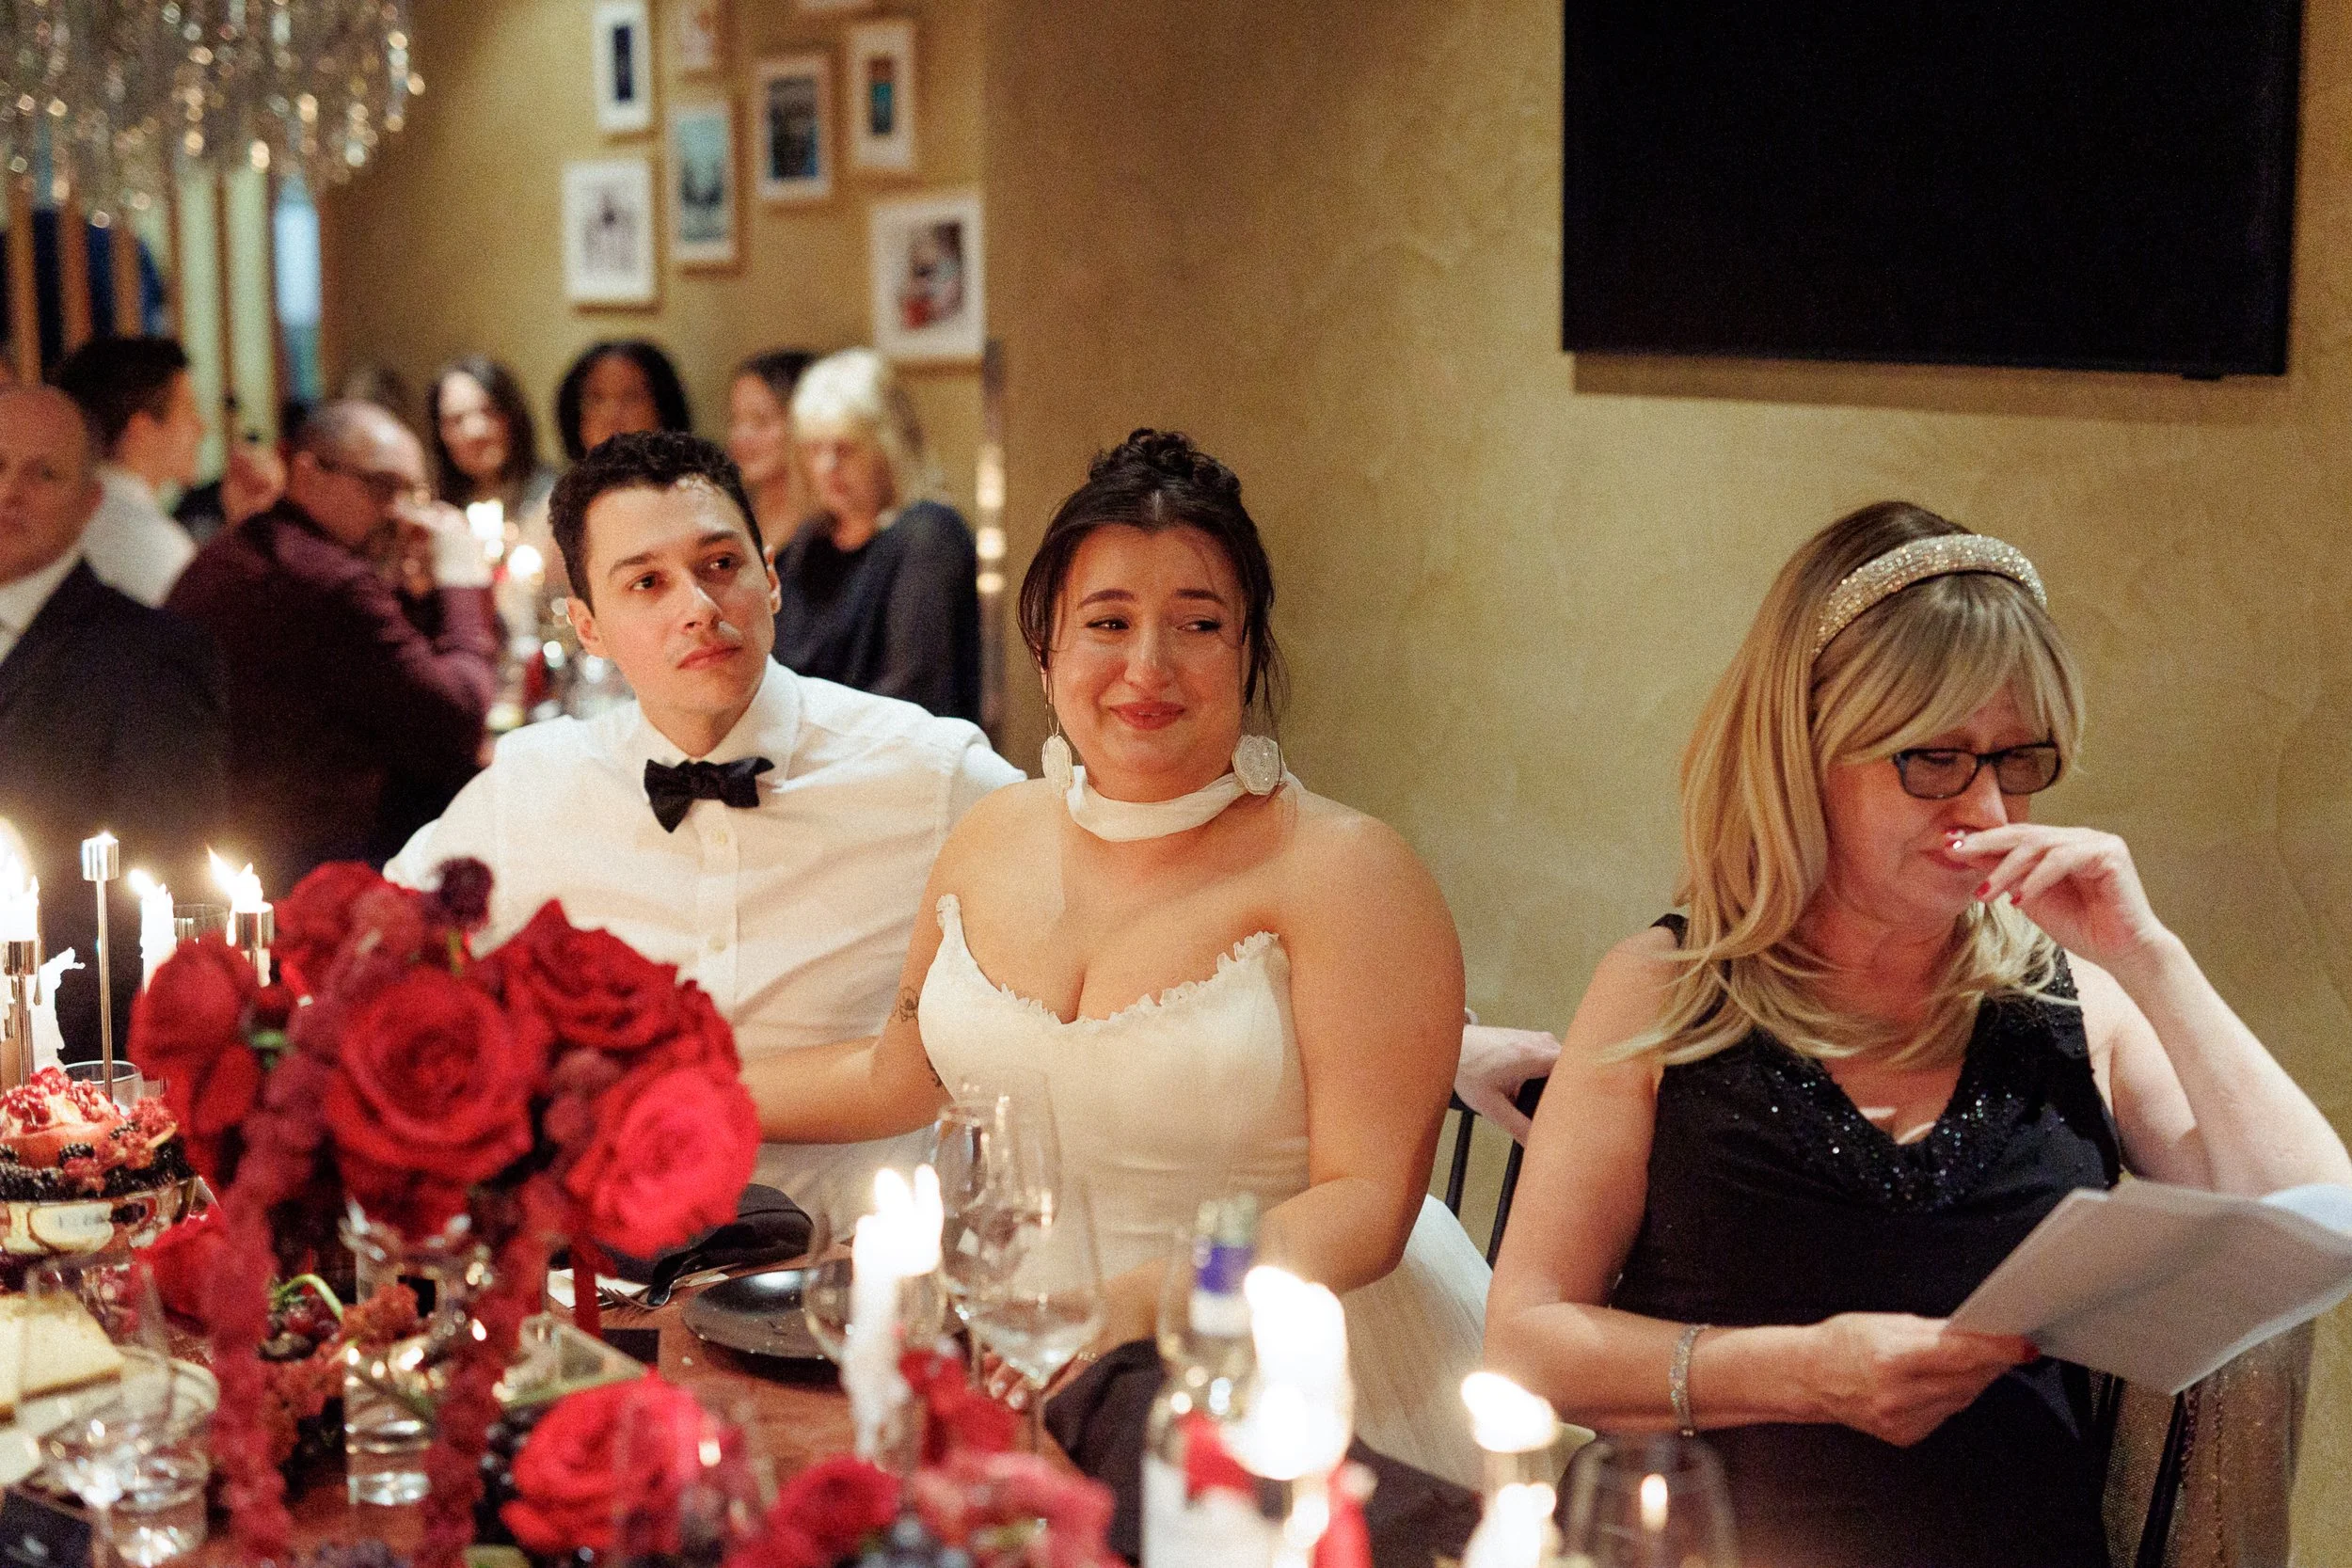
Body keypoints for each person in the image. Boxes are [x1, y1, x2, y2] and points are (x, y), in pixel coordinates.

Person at [1483, 502, 2352, 1568]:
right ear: (1805, 754)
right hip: (1707, 1544)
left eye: (2018, 758)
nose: (1985, 808)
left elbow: (2317, 1219)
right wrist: (1804, 1370)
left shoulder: (2072, 999)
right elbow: (1525, 1341)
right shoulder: (1667, 988)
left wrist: (2151, 956)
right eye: (1932, 759)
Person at [749, 429, 1492, 1485]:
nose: (1149, 666)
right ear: (1046, 650)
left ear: (1247, 649)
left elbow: (1366, 1204)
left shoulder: (1348, 871)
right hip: (1015, 1361)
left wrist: (1133, 1307)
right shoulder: (989, 835)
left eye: (1197, 624)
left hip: (1270, 1373)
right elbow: (896, 1075)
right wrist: (678, 1093)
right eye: (1108, 622)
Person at [385, 431, 1022, 1227]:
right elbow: (375, 956)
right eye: (646, 582)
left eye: (720, 565)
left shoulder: (932, 774)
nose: (698, 607)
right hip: (605, 1293)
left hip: (858, 1280)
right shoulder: (533, 789)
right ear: (588, 627)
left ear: (772, 579)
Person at [167, 401, 498, 889]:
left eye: (415, 494)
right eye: (384, 487)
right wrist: (462, 577)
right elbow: (459, 718)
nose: (404, 514)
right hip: (301, 870)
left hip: (224, 843)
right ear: (308, 470)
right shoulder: (324, 581)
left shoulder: (243, 547)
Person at [0, 387, 226, 1057]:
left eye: (43, 473)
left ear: (90, 502)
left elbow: (163, 888)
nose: (11, 491)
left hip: (68, 1051)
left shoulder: (150, 655)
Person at [769, 348, 981, 723]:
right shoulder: (808, 543)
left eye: (845, 449)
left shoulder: (929, 535)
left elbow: (914, 693)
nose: (827, 467)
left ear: (887, 449)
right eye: (814, 449)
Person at [54, 336, 202, 605]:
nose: (201, 428)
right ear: (142, 431)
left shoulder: (53, 523)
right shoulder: (156, 545)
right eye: (188, 412)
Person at [428, 356, 557, 519]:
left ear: (513, 416)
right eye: (457, 420)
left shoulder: (557, 499)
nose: (475, 431)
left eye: (488, 412)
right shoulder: (436, 513)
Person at [726, 348, 816, 537]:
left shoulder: (826, 525)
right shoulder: (728, 513)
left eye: (761, 421)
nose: (741, 437)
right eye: (735, 420)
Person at [554, 340, 691, 463]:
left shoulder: (692, 488)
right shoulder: (560, 490)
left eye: (631, 397)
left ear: (663, 410)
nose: (611, 415)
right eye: (596, 398)